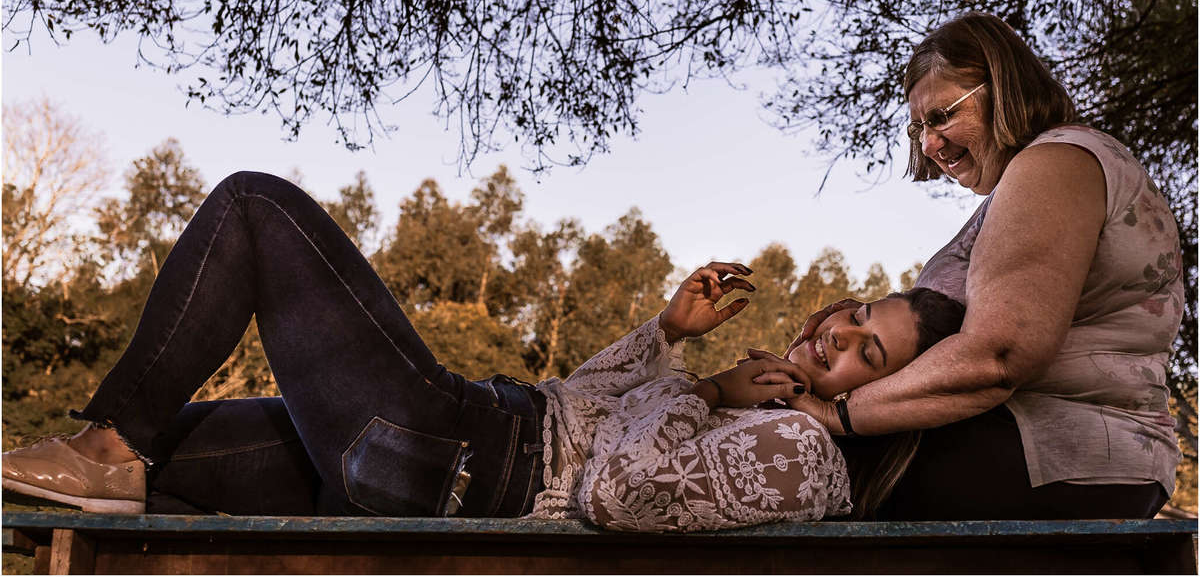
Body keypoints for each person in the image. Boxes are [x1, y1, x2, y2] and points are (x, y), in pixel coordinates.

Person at [2, 171, 966, 529]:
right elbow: (575, 404)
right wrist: (669, 337)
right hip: (461, 444)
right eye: (854, 313)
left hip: (456, 456)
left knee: (258, 208)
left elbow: (617, 494)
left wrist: (705, 391)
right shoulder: (769, 412)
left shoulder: (801, 455)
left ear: (897, 399)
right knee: (161, 471)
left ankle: (108, 440)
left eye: (868, 353)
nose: (837, 333)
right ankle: (116, 455)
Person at [752, 12, 1184, 520]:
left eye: (941, 117)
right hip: (1073, 453)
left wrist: (837, 415)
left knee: (773, 458)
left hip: (1058, 453)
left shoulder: (1054, 166)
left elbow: (998, 356)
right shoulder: (1059, 166)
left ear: (1003, 89)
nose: (928, 145)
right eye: (919, 128)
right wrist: (869, 322)